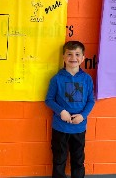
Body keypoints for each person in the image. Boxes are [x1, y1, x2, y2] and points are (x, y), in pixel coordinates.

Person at [45, 40, 95, 178]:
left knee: (78, 160)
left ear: (83, 58)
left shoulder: (87, 79)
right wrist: (61, 111)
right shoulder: (56, 79)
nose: (73, 58)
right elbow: (49, 100)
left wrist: (83, 116)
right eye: (69, 54)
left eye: (77, 54)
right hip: (60, 127)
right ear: (63, 57)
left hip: (79, 127)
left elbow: (91, 100)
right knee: (59, 159)